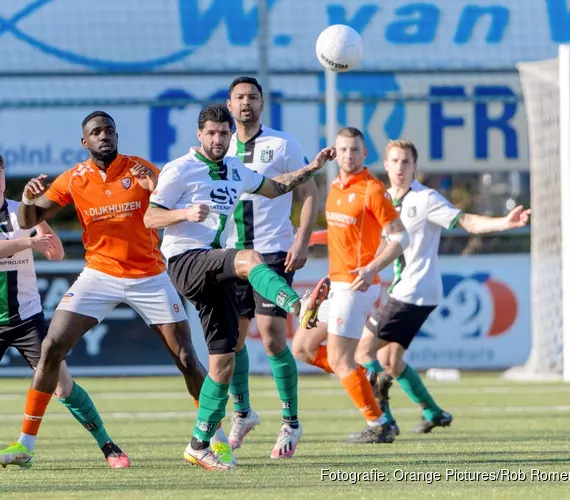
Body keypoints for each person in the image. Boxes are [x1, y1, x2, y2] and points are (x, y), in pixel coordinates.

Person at [0, 111, 212, 469]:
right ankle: (25, 444)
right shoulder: (75, 178)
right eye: (95, 132)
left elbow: (174, 206)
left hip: (149, 275)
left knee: (186, 357)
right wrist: (29, 199)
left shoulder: (140, 168)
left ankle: (208, 440)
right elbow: (29, 222)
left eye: (108, 130)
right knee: (52, 345)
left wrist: (154, 186)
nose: (103, 135)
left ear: (116, 136)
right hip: (99, 274)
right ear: (84, 142)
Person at [144, 104, 332, 471]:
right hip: (186, 261)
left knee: (223, 363)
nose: (217, 139)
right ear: (199, 135)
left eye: (223, 134)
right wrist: (183, 214)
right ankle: (297, 305)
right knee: (248, 258)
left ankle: (199, 444)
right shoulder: (180, 169)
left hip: (213, 267)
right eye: (210, 133)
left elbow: (276, 187)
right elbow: (151, 217)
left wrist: (311, 168)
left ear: (231, 135)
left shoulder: (235, 169)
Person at [0, 150, 117, 470]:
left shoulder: (22, 212)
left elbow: (55, 253)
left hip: (28, 319)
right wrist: (29, 242)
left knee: (63, 387)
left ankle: (109, 446)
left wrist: (38, 223)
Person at [352, 139, 531, 434]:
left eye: (406, 162)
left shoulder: (425, 199)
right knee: (390, 360)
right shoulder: (381, 199)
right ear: (385, 165)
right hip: (413, 290)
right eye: (394, 161)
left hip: (413, 289)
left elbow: (468, 222)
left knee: (362, 352)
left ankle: (382, 423)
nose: (399, 167)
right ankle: (434, 413)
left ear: (415, 167)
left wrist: (504, 223)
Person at [290, 127, 409, 444]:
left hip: (357, 285)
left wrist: (371, 268)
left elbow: (400, 237)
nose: (348, 155)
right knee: (302, 347)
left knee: (342, 358)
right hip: (338, 283)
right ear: (334, 152)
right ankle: (368, 377)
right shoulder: (335, 186)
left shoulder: (372, 189)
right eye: (342, 150)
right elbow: (342, 238)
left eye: (354, 150)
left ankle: (379, 423)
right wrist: (314, 253)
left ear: (364, 153)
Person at [222, 77, 320, 456]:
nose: (246, 103)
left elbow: (309, 192)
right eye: (239, 97)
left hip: (275, 250)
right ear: (229, 105)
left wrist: (303, 239)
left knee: (273, 335)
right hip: (230, 256)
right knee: (231, 341)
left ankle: (291, 423)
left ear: (262, 104)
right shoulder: (219, 145)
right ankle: (243, 413)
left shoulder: (283, 144)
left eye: (252, 97)